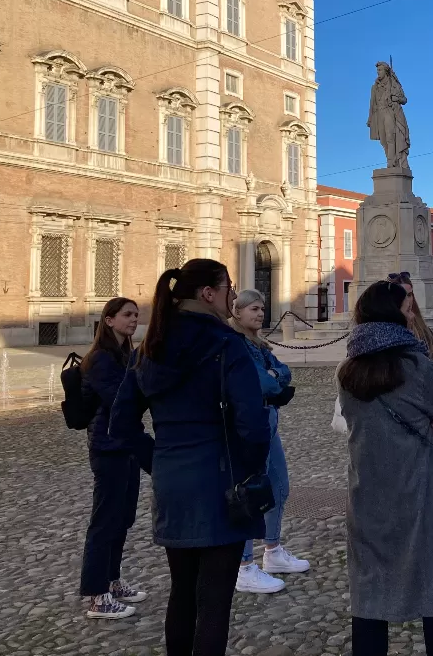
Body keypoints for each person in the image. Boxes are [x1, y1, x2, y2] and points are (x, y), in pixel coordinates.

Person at [110, 259, 271, 656]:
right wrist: (248, 468)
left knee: (182, 592)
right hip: (220, 480)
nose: (233, 296)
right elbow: (252, 422)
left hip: (173, 481)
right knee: (214, 602)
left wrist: (157, 459)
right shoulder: (226, 343)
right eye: (228, 287)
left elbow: (122, 423)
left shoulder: (151, 345)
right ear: (208, 294)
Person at [339, 280, 433, 656]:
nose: (413, 314)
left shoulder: (347, 371)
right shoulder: (417, 366)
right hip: (419, 491)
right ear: (394, 315)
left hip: (366, 490)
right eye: (407, 308)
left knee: (370, 594)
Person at [229, 290, 310, 593]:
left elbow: (283, 372)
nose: (260, 313)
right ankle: (244, 565)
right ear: (236, 312)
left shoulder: (259, 345)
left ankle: (273, 551)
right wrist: (273, 376)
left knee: (279, 486)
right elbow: (262, 382)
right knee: (250, 492)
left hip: (269, 422)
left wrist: (273, 374)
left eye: (262, 308)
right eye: (253, 308)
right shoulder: (236, 344)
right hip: (249, 425)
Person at [79, 297, 153, 620]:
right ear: (108, 320)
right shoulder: (99, 359)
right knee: (104, 521)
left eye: (136, 315)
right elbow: (119, 400)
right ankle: (97, 596)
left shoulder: (126, 355)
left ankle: (112, 580)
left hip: (127, 446)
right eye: (127, 315)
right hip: (107, 447)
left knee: (123, 518)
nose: (133, 320)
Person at [390, 271, 433, 375]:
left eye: (409, 295)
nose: (407, 301)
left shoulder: (425, 332)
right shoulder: (382, 333)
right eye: (401, 296)